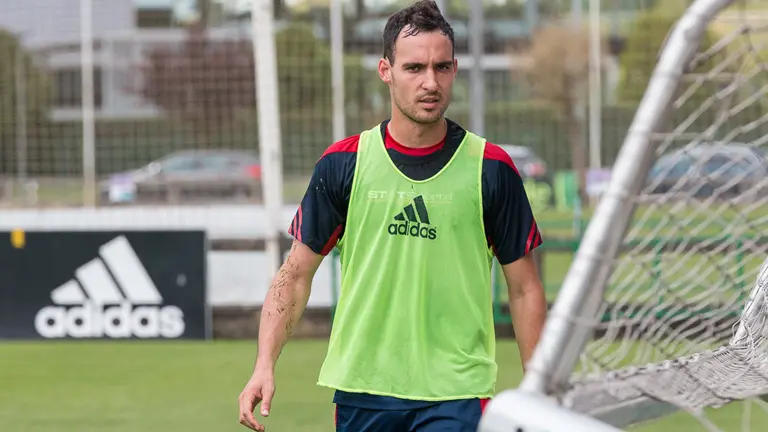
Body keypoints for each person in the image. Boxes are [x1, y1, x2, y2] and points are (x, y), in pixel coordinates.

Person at [238, 1, 548, 431]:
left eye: (441, 68)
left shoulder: (491, 168)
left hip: (456, 393)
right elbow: (294, 275)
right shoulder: (342, 164)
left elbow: (524, 288)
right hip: (364, 390)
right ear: (386, 71)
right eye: (414, 68)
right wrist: (263, 364)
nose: (430, 82)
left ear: (455, 70)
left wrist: (537, 389)